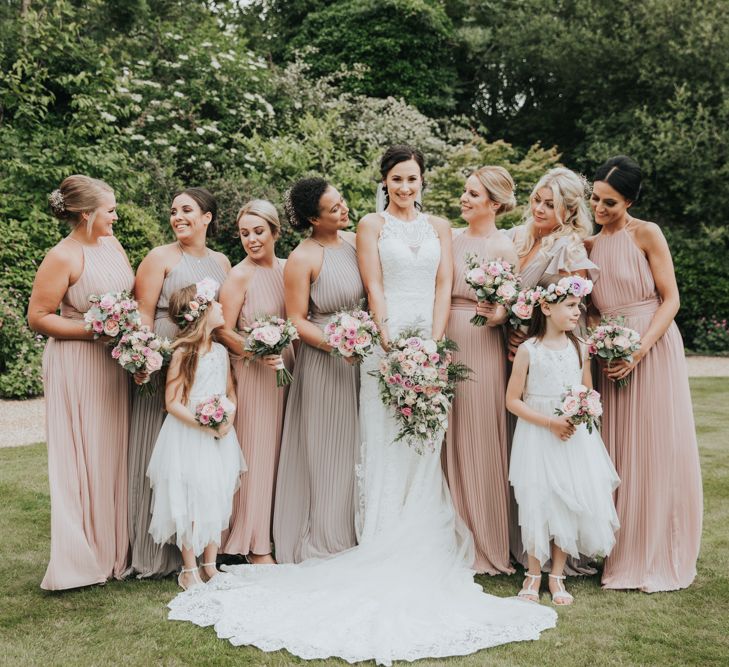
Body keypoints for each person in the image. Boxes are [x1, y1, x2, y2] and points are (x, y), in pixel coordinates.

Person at [167, 147, 556, 664]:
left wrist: (434, 346)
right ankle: (378, 536)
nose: (405, 187)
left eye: (413, 178)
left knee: (427, 443)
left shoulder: (440, 225)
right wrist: (392, 342)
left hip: (432, 344)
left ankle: (425, 534)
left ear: (422, 180)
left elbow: (444, 284)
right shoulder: (369, 226)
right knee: (383, 438)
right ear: (385, 181)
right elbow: (372, 286)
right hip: (385, 342)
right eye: (397, 178)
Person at [588, 155, 703, 592]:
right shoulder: (588, 244)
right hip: (609, 355)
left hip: (651, 347)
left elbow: (670, 299)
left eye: (610, 203)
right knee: (617, 449)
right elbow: (593, 309)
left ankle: (655, 551)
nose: (600, 209)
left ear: (630, 201)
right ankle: (617, 547)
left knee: (653, 446)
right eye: (595, 198)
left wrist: (636, 351)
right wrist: (603, 341)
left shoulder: (647, 233)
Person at [28, 175, 133, 590]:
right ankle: (83, 553)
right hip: (77, 362)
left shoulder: (112, 245)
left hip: (113, 362)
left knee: (111, 450)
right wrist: (95, 329)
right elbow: (38, 317)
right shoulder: (63, 256)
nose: (115, 215)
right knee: (83, 453)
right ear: (86, 214)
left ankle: (114, 550)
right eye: (110, 210)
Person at [127, 188, 229, 578]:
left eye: (187, 210)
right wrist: (144, 358)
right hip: (165, 358)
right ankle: (156, 553)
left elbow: (226, 313)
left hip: (206, 360)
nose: (177, 216)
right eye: (173, 211)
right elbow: (143, 312)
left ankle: (204, 554)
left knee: (197, 466)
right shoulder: (160, 257)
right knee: (163, 458)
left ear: (207, 217)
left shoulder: (221, 262)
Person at [503, 167, 598, 575]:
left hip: (543, 357)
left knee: (550, 470)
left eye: (549, 204)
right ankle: (521, 550)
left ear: (569, 210)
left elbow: (574, 310)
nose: (538, 208)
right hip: (513, 350)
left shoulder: (570, 250)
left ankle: (550, 562)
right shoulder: (520, 236)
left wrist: (530, 335)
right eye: (536, 200)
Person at [506, 277, 620, 605]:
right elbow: (512, 400)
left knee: (567, 500)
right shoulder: (529, 350)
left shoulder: (580, 347)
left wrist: (581, 412)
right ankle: (532, 573)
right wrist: (551, 422)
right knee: (536, 499)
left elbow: (585, 391)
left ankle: (557, 575)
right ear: (546, 308)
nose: (578, 311)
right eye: (570, 305)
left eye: (579, 306)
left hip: (572, 436)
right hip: (538, 433)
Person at [272, 177, 365, 563]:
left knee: (358, 446)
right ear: (314, 218)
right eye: (334, 208)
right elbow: (296, 320)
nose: (344, 209)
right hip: (325, 364)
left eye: (342, 202)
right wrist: (336, 344)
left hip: (361, 360)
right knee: (328, 448)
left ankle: (359, 529)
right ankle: (326, 535)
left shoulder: (358, 244)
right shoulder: (302, 258)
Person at [146, 281, 246, 590]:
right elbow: (172, 402)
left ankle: (210, 566)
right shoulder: (183, 353)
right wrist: (204, 424)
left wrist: (227, 419)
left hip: (220, 436)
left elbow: (230, 390)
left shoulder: (219, 350)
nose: (220, 307)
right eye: (215, 304)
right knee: (189, 498)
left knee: (216, 495)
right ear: (201, 313)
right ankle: (188, 569)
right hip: (189, 435)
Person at [444, 166, 518, 575]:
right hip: (448, 339)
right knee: (447, 437)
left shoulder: (503, 247)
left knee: (479, 435)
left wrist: (496, 315)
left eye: (473, 194)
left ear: (493, 203)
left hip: (482, 344)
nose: (464, 199)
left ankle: (485, 539)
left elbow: (509, 307)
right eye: (465, 192)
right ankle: (450, 536)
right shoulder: (451, 239)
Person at [218, 200, 294, 564]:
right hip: (254, 372)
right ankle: (252, 542)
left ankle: (279, 532)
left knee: (283, 453)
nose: (251, 240)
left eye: (258, 232)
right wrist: (255, 348)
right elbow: (221, 329)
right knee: (257, 454)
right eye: (245, 233)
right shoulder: (239, 275)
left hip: (289, 367)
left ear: (275, 232)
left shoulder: (288, 268)